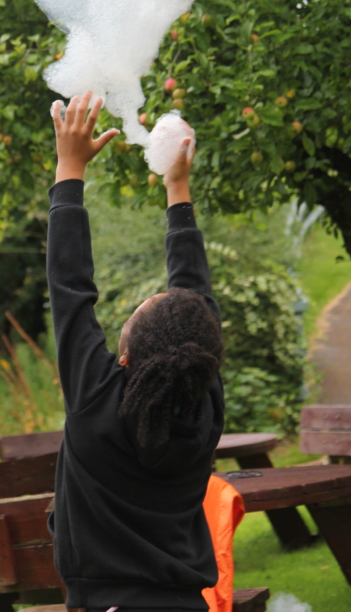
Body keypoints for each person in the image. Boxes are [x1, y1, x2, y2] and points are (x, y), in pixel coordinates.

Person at [47, 91, 224, 612]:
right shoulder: (202, 408)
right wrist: (177, 186)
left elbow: (69, 286)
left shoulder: (98, 401)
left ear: (125, 358)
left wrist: (69, 165)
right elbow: (195, 298)